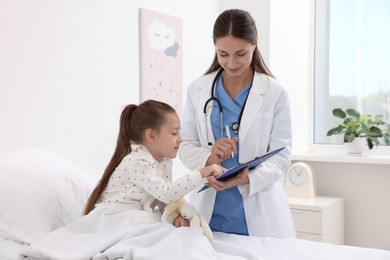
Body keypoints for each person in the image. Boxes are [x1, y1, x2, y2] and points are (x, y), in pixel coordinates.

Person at [179, 9, 296, 238]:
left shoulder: (275, 93)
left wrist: (249, 178)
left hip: (259, 207)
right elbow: (185, 145)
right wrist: (210, 158)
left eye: (240, 54)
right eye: (223, 54)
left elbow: (281, 155)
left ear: (255, 44)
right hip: (209, 209)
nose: (231, 63)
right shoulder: (198, 90)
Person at [83, 99, 224, 225]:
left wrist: (176, 216)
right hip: (115, 218)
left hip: (136, 216)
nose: (180, 139)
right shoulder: (137, 161)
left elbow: (163, 199)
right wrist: (201, 173)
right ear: (151, 135)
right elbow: (166, 193)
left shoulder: (164, 163)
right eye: (174, 133)